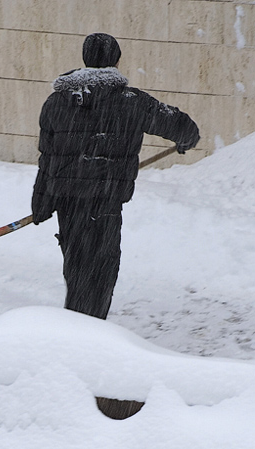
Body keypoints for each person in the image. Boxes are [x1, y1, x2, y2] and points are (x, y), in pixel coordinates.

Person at [32, 32, 200, 320]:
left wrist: (42, 202)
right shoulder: (130, 101)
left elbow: (46, 158)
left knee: (78, 271)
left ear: (85, 59)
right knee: (101, 271)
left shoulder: (56, 103)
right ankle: (89, 332)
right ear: (116, 60)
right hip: (104, 204)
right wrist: (186, 140)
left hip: (68, 205)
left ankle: (77, 326)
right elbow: (181, 125)